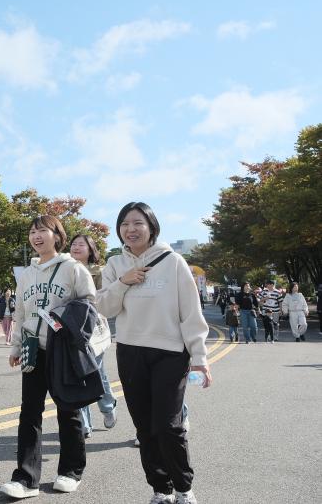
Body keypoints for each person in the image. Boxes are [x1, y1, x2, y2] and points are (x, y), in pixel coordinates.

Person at [97, 202, 211, 504]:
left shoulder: (173, 261)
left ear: (151, 227)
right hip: (131, 351)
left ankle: (184, 488)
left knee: (168, 425)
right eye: (124, 224)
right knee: (144, 427)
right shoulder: (114, 265)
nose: (130, 230)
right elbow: (104, 307)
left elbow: (191, 312)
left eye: (137, 223)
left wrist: (199, 359)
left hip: (170, 353)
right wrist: (123, 282)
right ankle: (160, 488)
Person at [0, 217, 96, 499]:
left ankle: (70, 471)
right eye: (32, 231)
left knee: (68, 410)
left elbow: (89, 306)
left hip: (63, 351)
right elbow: (20, 313)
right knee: (29, 413)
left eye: (42, 230)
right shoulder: (26, 275)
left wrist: (73, 334)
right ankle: (26, 479)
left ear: (57, 235)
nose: (36, 236)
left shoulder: (73, 269)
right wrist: (16, 347)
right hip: (34, 349)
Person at [68, 234, 118, 439]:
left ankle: (107, 407)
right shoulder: (63, 269)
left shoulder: (99, 272)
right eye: (73, 244)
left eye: (82, 244)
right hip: (70, 328)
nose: (76, 247)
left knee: (96, 373)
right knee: (76, 377)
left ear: (91, 250)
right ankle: (84, 423)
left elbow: (102, 298)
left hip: (93, 329)